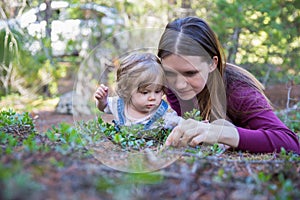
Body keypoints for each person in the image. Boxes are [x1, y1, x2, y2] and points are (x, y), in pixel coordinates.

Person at [157, 16, 300, 154]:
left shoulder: (239, 91)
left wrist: (222, 133)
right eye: (169, 73)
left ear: (213, 63)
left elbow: (290, 142)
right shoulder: (171, 86)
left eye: (190, 73)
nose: (179, 85)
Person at [94, 52, 182, 130]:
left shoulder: (164, 113)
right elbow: (104, 107)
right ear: (127, 90)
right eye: (145, 92)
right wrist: (101, 101)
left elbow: (181, 124)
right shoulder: (121, 104)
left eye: (157, 91)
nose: (152, 97)